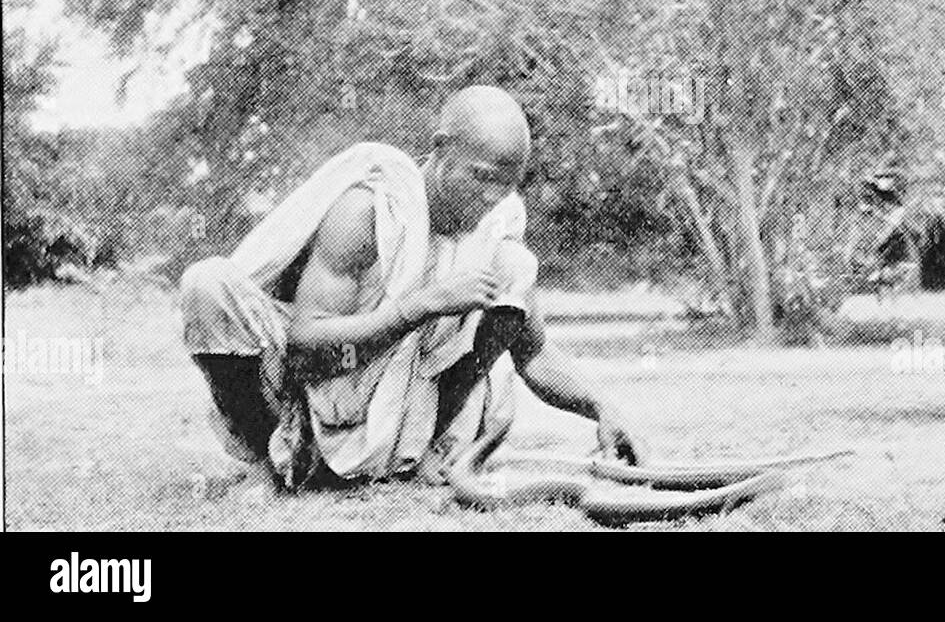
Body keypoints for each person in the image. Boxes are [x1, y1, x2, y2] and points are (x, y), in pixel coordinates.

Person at [180, 84, 647, 496]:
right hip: (313, 398)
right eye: (481, 177)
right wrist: (419, 308)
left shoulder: (498, 229)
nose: (491, 198)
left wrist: (602, 406)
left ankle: (419, 458)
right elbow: (305, 351)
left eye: (506, 185)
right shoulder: (370, 210)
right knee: (208, 285)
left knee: (515, 268)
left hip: (411, 424)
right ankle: (269, 468)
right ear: (441, 149)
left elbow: (533, 354)